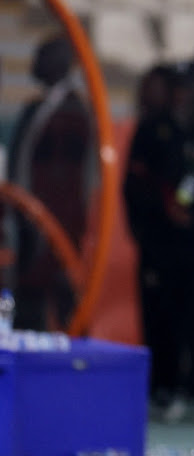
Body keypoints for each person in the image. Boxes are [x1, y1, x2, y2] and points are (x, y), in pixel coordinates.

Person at [123, 62, 194, 423]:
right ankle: (164, 390)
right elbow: (135, 185)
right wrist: (157, 216)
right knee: (162, 316)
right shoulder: (152, 130)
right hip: (163, 244)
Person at [7, 34, 94, 330]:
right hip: (30, 217)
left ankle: (77, 358)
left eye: (43, 56)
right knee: (31, 293)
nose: (35, 63)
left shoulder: (72, 112)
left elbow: (67, 180)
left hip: (55, 222)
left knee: (61, 290)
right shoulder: (37, 107)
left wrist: (50, 222)